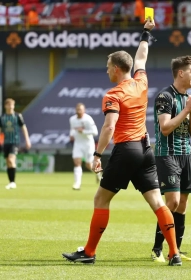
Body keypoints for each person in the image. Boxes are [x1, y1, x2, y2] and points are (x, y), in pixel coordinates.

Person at [62, 19, 182, 266]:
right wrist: (146, 33)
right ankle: (174, 253)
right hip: (145, 149)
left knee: (100, 200)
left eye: (108, 67)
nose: (107, 71)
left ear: (116, 68)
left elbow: (109, 127)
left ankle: (89, 252)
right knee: (158, 202)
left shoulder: (114, 94)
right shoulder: (141, 82)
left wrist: (97, 154)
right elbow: (142, 57)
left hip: (126, 150)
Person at [150, 55, 191, 263]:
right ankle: (157, 249)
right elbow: (165, 128)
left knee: (182, 205)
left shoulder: (187, 99)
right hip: (167, 155)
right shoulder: (165, 97)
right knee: (172, 201)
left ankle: (176, 249)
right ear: (181, 73)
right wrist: (187, 110)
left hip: (186, 155)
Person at [0, 98, 32, 190]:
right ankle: (11, 182)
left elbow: (23, 128)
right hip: (6, 142)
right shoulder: (2, 117)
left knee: (11, 160)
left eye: (12, 105)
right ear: (5, 106)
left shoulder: (18, 116)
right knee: (8, 162)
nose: (11, 107)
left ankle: (13, 183)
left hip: (15, 142)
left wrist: (27, 140)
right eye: (9, 105)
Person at [69, 103, 100, 190]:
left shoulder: (88, 119)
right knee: (77, 162)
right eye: (77, 109)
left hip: (88, 144)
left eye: (80, 109)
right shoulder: (72, 119)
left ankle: (98, 173)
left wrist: (83, 131)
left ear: (84, 110)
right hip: (78, 144)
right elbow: (72, 129)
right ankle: (77, 184)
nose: (79, 111)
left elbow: (95, 132)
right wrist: (71, 135)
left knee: (89, 165)